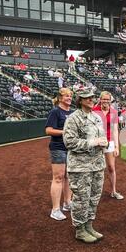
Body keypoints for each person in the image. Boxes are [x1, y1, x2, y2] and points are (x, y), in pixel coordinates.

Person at [63, 89, 108, 243]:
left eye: (92, 97)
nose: (91, 99)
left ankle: (89, 225)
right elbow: (69, 142)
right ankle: (80, 229)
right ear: (80, 100)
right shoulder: (73, 118)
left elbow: (101, 136)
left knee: (94, 197)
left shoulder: (96, 117)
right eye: (86, 98)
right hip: (80, 166)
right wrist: (92, 142)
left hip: (97, 164)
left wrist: (104, 142)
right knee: (82, 198)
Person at [45, 88, 74, 221]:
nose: (69, 98)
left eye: (70, 96)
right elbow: (48, 130)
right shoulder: (55, 111)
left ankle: (67, 203)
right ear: (60, 98)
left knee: (69, 176)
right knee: (58, 178)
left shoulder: (72, 113)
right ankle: (55, 209)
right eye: (66, 96)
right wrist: (64, 132)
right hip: (58, 148)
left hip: (71, 148)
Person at [93, 91, 124, 200]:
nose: (106, 101)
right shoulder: (93, 111)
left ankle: (114, 191)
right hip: (96, 142)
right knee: (95, 168)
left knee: (111, 167)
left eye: (108, 99)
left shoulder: (114, 112)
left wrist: (117, 146)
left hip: (109, 142)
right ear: (100, 99)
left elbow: (115, 130)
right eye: (104, 99)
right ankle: (94, 193)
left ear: (110, 100)